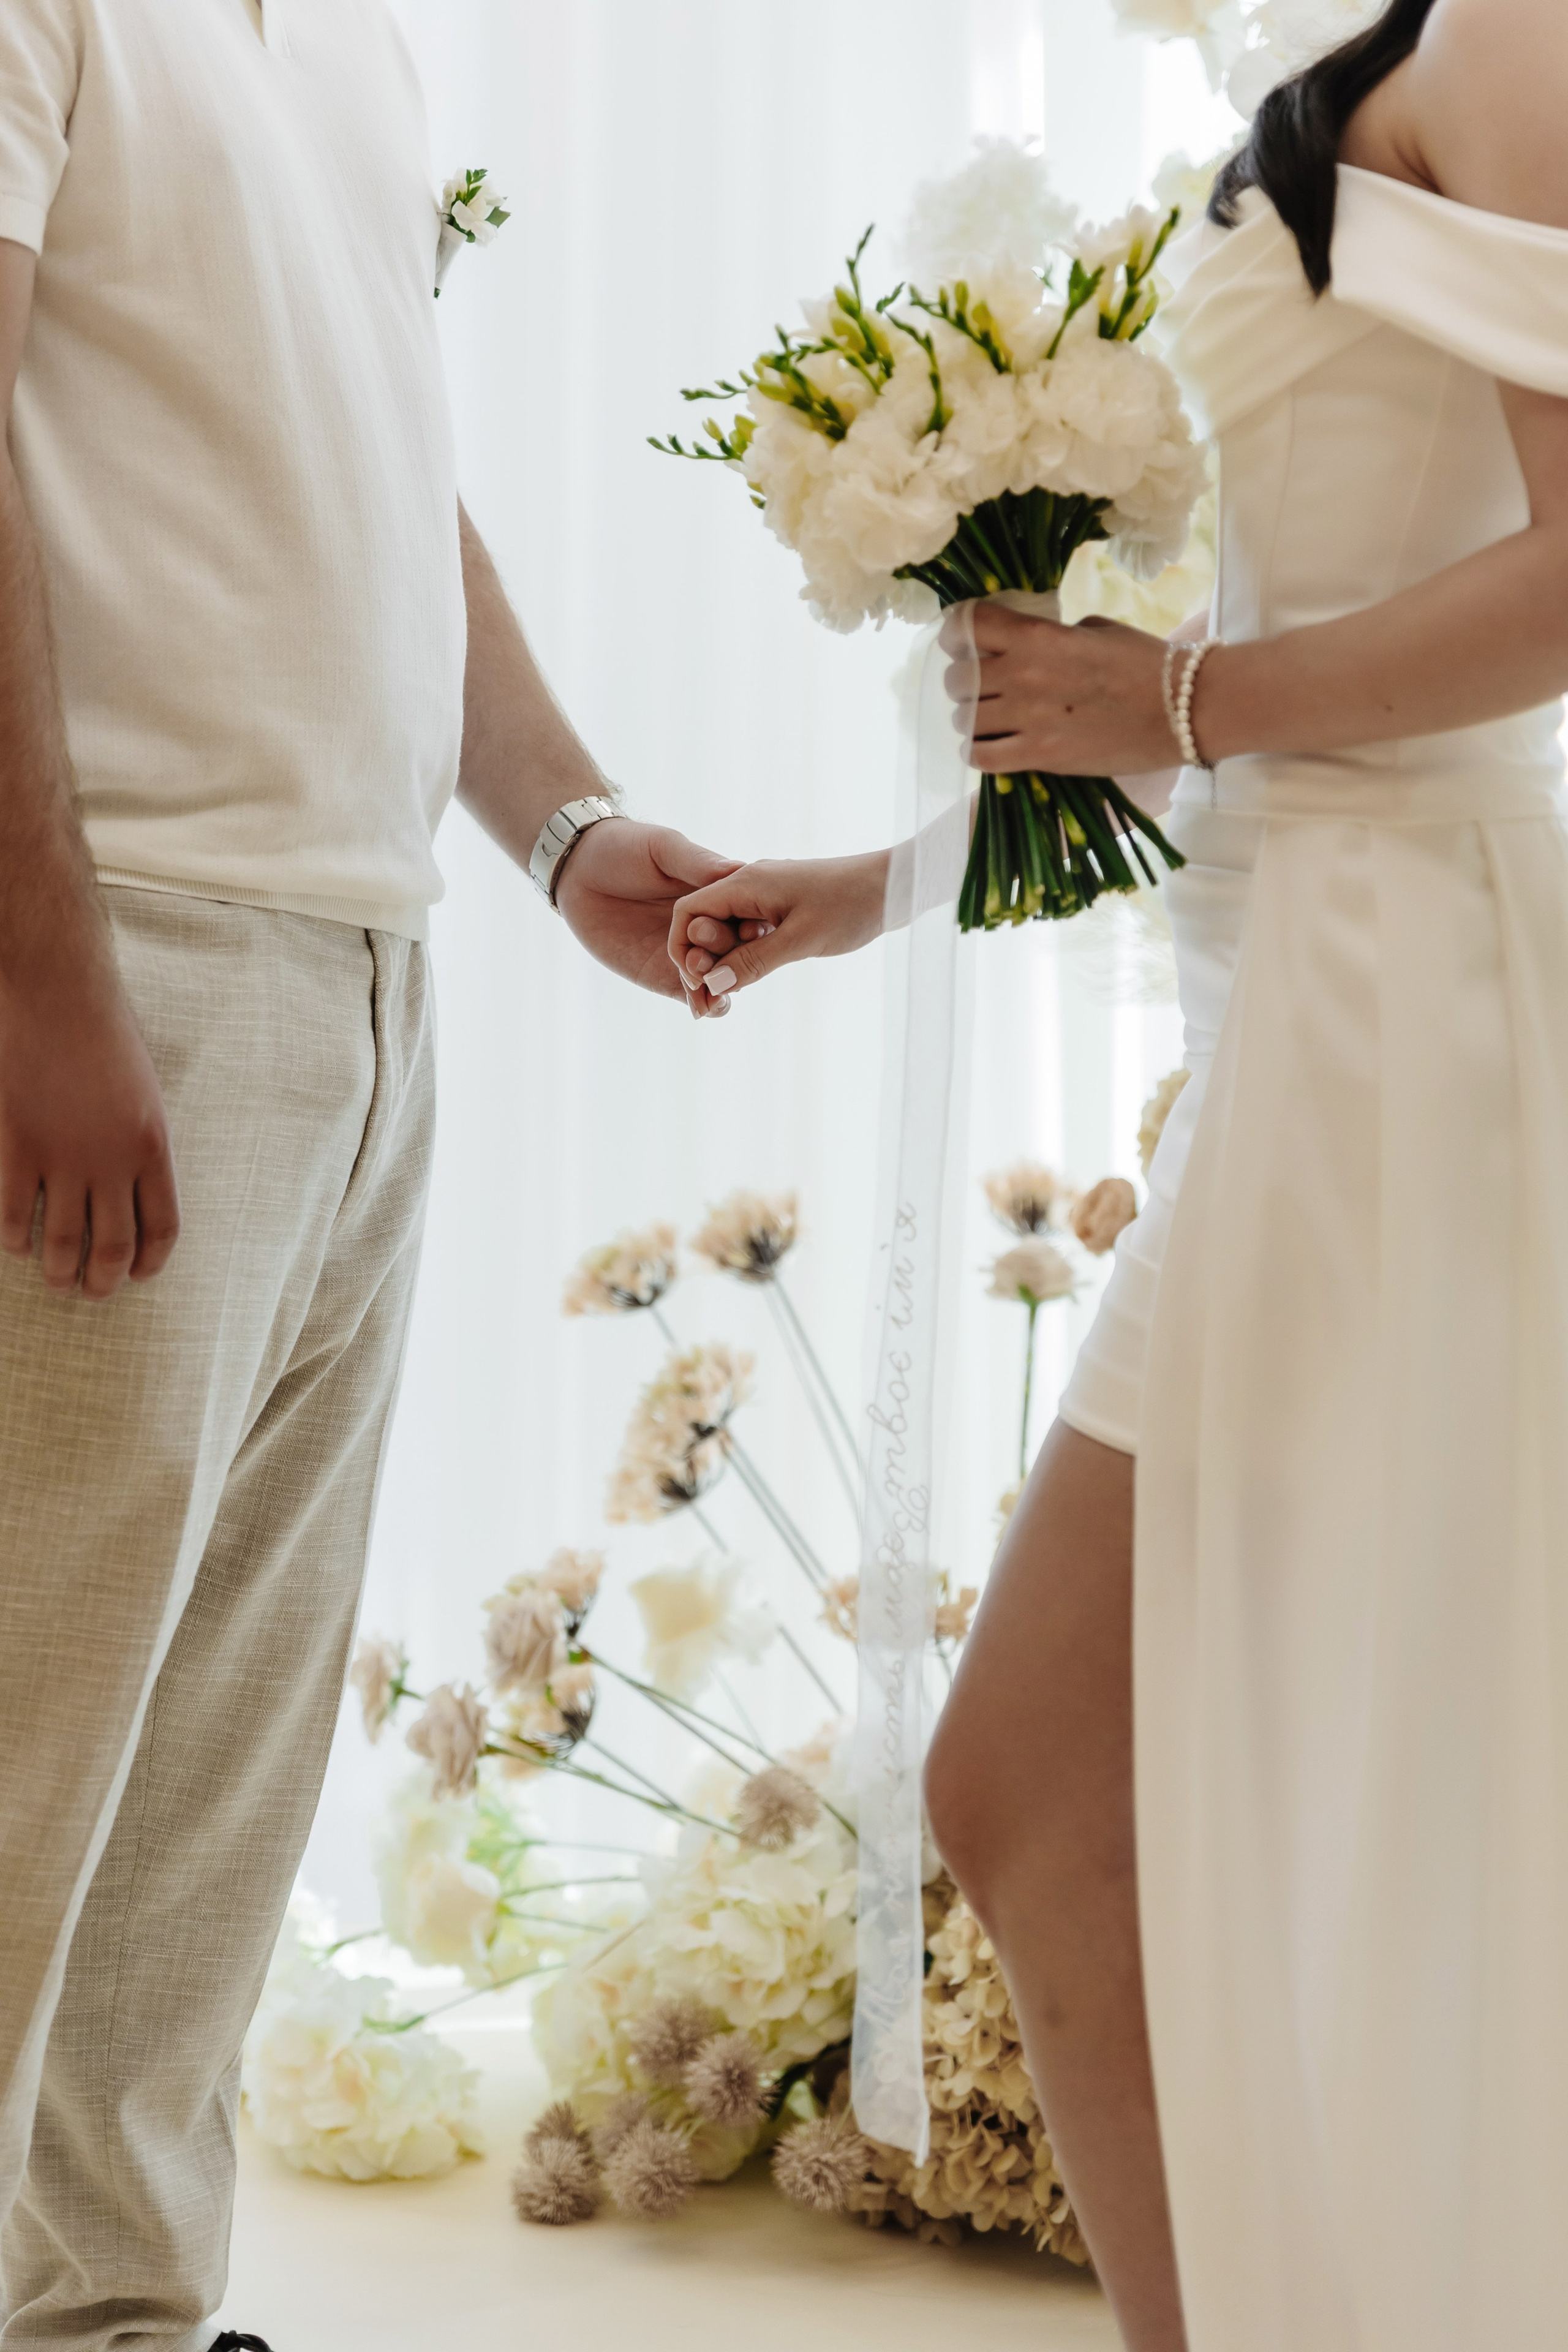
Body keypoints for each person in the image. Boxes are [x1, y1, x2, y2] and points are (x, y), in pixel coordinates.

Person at [669, 0, 1568, 2343]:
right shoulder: (1365, 60)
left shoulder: (1516, 38)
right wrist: (879, 885)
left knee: (1066, 1782)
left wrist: (1165, 699)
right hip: (1302, 989)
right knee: (1076, 1796)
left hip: (1403, 1017)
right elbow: (1258, 668)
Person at [0, 4, 735, 2347]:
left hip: (363, 966)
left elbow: (394, 484)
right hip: (132, 950)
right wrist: (41, 972)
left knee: (212, 1781)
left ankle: (116, 2322)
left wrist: (565, 829)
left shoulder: (349, 39)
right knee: (27, 1751)